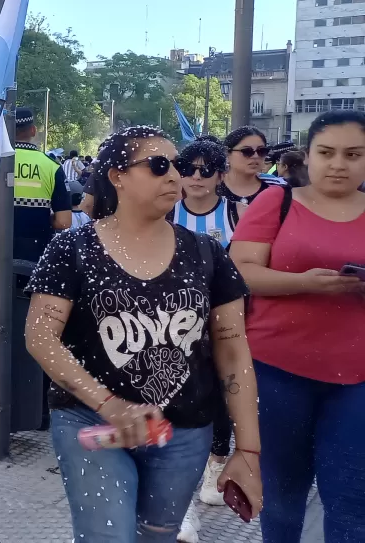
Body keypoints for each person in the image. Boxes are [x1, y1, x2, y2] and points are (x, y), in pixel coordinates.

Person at [24, 126, 263, 542]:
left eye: (180, 165)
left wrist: (248, 449)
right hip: (90, 420)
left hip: (185, 428)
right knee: (108, 536)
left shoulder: (206, 253)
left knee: (158, 536)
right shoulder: (72, 249)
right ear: (117, 176)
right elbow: (41, 336)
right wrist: (110, 404)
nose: (176, 175)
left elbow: (232, 348)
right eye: (158, 165)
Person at [229, 110, 365, 543]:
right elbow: (240, 270)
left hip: (357, 378)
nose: (339, 164)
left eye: (353, 154)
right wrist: (305, 284)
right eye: (327, 153)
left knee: (351, 499)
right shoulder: (278, 201)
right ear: (309, 156)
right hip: (276, 372)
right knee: (283, 496)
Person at [166, 139, 245, 541]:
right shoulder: (165, 208)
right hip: (169, 327)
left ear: (220, 174)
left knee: (218, 398)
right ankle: (182, 506)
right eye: (189, 168)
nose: (196, 177)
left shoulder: (237, 213)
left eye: (206, 169)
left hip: (223, 323)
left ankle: (216, 460)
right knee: (178, 404)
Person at [0, 107, 72, 383]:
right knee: (36, 322)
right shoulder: (50, 166)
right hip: (34, 253)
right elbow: (64, 221)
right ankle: (33, 388)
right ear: (33, 131)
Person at [219, 126, 287, 205]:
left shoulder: (279, 188)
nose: (255, 156)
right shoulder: (211, 187)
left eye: (261, 151)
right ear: (227, 154)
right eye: (246, 151)